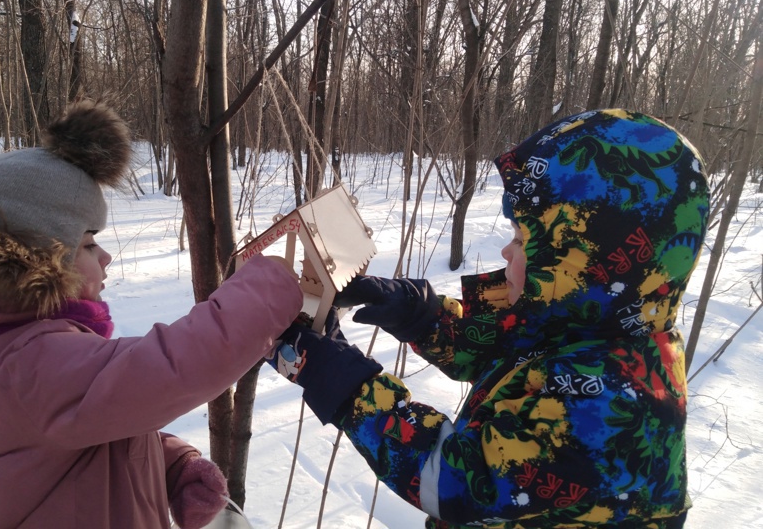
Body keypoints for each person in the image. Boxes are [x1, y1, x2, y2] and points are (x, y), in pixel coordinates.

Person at [0, 100, 303, 529]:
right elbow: (166, 370)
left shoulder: (11, 351)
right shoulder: (20, 366)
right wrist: (272, 286)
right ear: (37, 261)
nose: (107, 256)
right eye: (89, 243)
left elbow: (90, 440)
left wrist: (174, 467)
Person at [268, 109, 709, 528]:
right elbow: (510, 348)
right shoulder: (601, 325)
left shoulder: (613, 404)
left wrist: (348, 390)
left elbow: (454, 481)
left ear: (584, 265)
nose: (507, 250)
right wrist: (424, 319)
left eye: (523, 239)